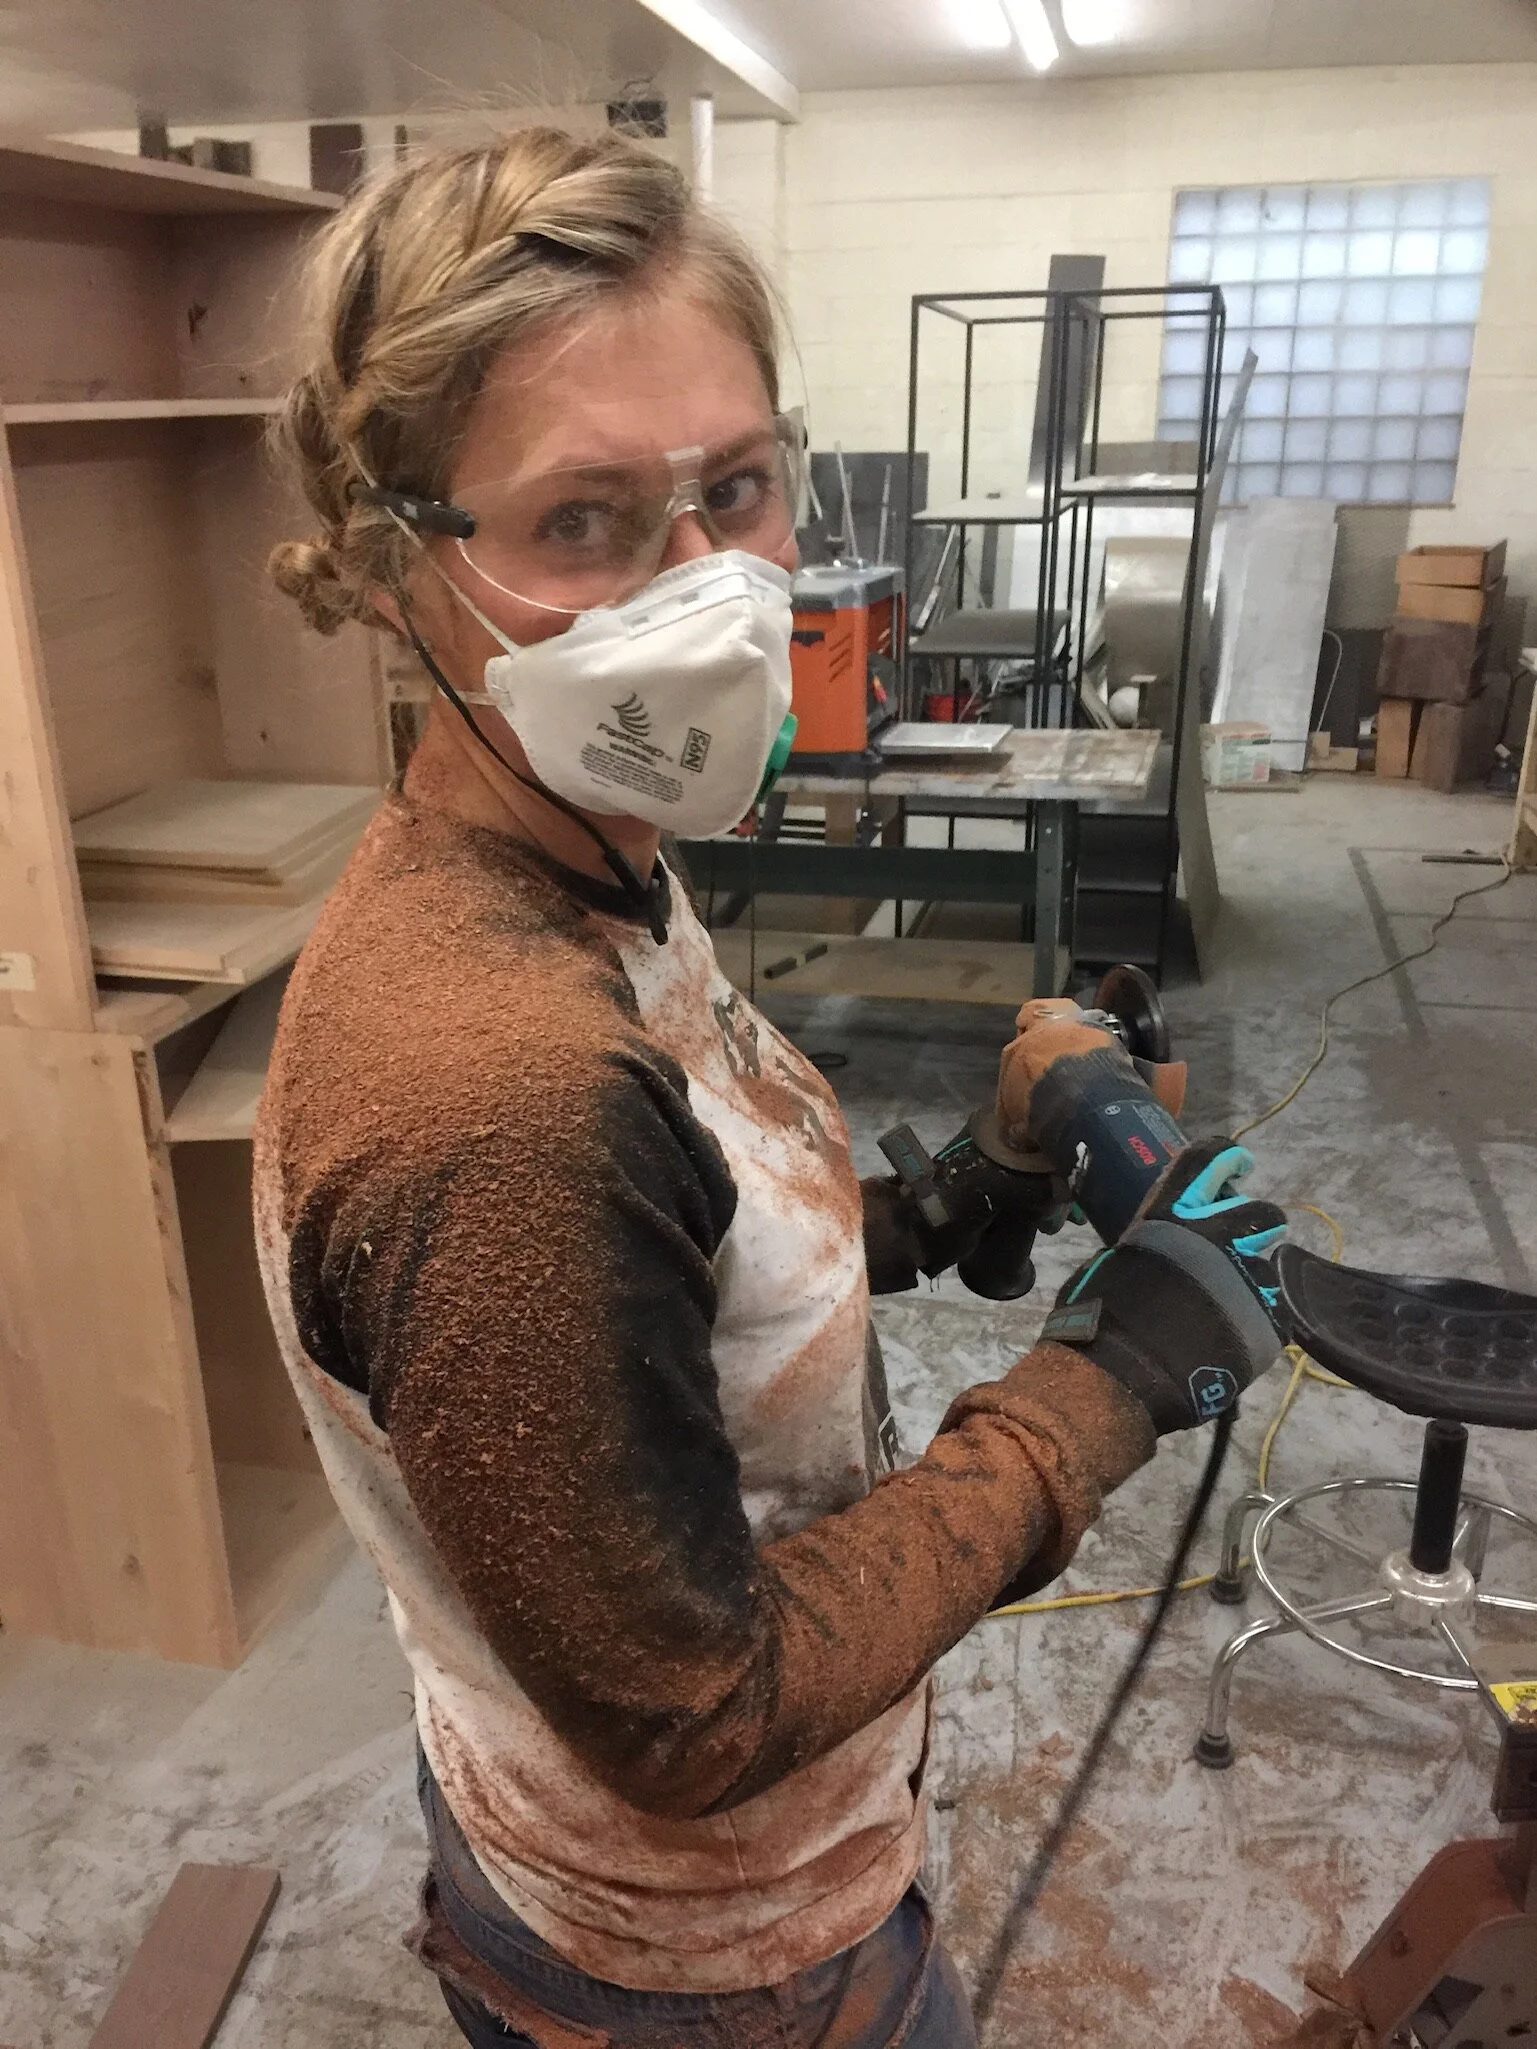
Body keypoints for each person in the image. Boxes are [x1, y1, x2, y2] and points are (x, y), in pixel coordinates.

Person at [256, 126, 1284, 2048]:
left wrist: (945, 1206)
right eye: (584, 521)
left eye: (737, 489)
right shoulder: (495, 1096)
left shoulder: (584, 857)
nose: (714, 594)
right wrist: (1107, 1385)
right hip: (710, 1960)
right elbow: (687, 1712)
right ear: (400, 573)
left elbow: (675, 1260)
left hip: (638, 1854)